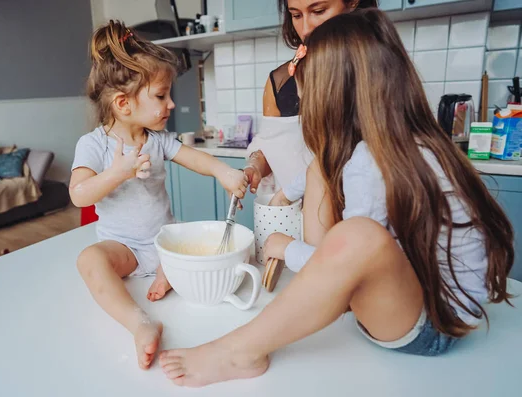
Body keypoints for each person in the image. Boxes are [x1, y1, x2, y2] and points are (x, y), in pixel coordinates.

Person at [159, 9, 514, 387]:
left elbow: (355, 259)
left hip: (433, 326)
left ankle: (240, 350)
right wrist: (280, 195)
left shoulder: (370, 163)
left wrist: (285, 246)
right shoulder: (406, 145)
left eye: (307, 95)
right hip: (427, 301)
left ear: (332, 96)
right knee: (322, 171)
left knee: (359, 234)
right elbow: (317, 176)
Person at [69, 21, 248, 370]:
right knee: (89, 260)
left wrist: (223, 172)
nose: (170, 105)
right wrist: (118, 172)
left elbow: (195, 157)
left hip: (166, 241)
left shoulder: (157, 140)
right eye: (160, 96)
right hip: (124, 249)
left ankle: (169, 270)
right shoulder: (93, 145)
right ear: (123, 103)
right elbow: (79, 195)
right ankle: (139, 322)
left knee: (209, 242)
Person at [244, 0, 378, 248]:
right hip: (300, 227)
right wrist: (255, 166)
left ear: (352, 3)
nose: (305, 29)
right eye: (296, 15)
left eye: (318, 11)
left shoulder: (376, 73)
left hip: (357, 237)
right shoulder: (282, 82)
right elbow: (272, 145)